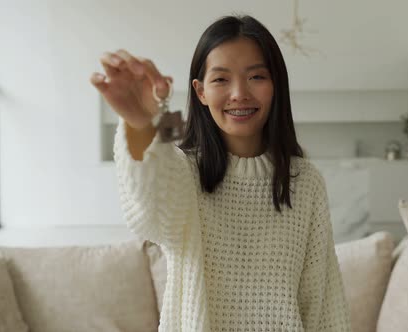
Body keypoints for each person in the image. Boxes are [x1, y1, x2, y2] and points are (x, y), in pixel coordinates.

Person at [90, 15, 351, 332]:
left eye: (256, 77)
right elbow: (150, 208)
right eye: (221, 79)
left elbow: (322, 303)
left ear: (275, 85)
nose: (239, 93)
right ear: (200, 92)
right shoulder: (184, 172)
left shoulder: (305, 181)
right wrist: (141, 123)